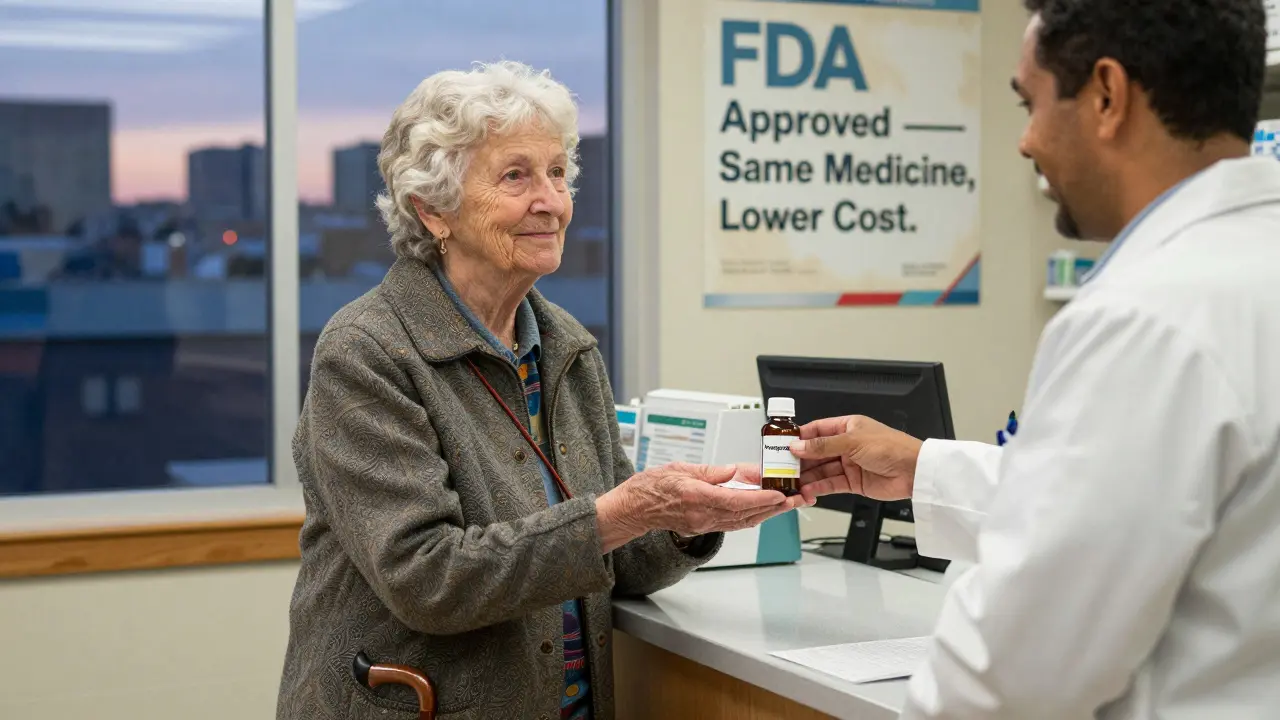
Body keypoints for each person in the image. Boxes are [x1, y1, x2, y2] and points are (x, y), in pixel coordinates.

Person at [777, 1, 1280, 717]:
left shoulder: (1143, 318)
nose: (1025, 141)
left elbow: (1013, 673)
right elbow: (1157, 502)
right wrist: (925, 468)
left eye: (1031, 103)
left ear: (1107, 96)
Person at [276, 61, 800, 720]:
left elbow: (618, 561)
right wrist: (628, 510)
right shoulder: (367, 352)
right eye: (516, 176)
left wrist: (684, 522)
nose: (550, 200)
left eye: (557, 173)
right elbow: (429, 579)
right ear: (433, 209)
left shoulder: (566, 347)